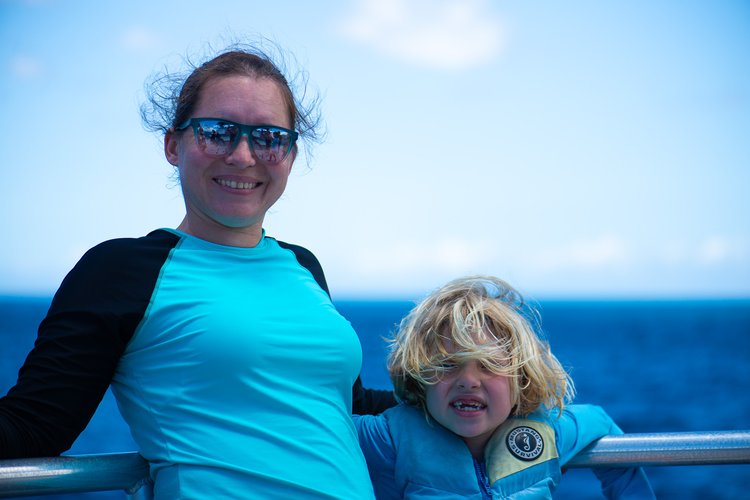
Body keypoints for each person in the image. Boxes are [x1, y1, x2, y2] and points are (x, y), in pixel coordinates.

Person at [0, 42, 395, 498]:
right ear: (173, 144)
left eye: (269, 137)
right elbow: (34, 426)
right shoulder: (123, 270)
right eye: (217, 131)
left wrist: (479, 388)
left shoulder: (302, 265)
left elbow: (344, 405)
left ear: (289, 154)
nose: (243, 156)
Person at [354, 276, 655, 499]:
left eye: (489, 365)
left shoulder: (549, 433)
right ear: (419, 381)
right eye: (447, 365)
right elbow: (312, 431)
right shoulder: (390, 438)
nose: (469, 380)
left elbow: (601, 423)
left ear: (521, 380)